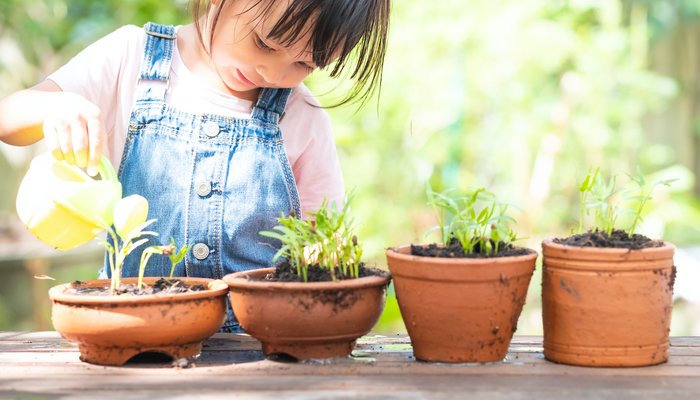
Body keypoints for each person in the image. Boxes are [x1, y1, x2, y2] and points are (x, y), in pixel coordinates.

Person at [0, 0, 390, 331]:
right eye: (265, 42)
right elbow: (9, 118)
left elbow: (320, 243)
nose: (274, 73)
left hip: (257, 349)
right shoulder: (131, 58)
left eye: (305, 63)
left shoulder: (302, 115)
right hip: (133, 330)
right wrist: (54, 106)